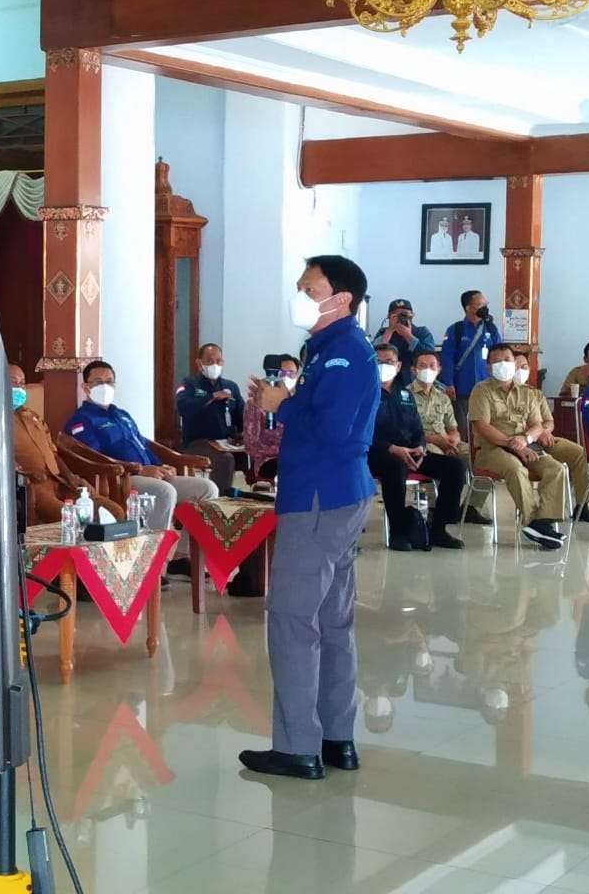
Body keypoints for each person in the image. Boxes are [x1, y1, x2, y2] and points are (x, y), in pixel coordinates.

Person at [239, 254, 379, 781]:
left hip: (320, 497)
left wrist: (285, 403)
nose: (299, 293)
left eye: (309, 286)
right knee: (331, 619)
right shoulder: (329, 349)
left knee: (294, 620)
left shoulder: (343, 352)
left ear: (340, 299)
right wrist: (284, 400)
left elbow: (338, 429)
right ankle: (335, 737)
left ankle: (298, 747)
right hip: (336, 493)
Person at [64, 361, 217, 532]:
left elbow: (142, 445)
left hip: (148, 472)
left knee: (207, 488)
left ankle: (186, 552)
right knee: (165, 491)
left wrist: (161, 466)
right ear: (86, 388)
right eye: (98, 382)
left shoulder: (122, 415)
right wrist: (138, 470)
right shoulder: (81, 421)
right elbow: (94, 458)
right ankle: (157, 554)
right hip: (119, 479)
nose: (105, 386)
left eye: (109, 382)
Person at [468, 345, 589, 550]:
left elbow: (538, 424)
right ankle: (532, 522)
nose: (504, 365)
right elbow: (483, 427)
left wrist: (525, 440)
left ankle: (544, 522)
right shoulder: (481, 390)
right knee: (515, 469)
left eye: (507, 360)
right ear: (489, 367)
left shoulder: (527, 393)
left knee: (555, 468)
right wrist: (514, 444)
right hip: (493, 449)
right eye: (497, 362)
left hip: (527, 444)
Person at [368, 344, 466, 551]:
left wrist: (420, 447)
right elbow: (363, 432)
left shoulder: (404, 394)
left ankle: (438, 528)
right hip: (378, 453)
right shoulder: (363, 394)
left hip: (410, 452)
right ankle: (398, 531)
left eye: (389, 362)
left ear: (398, 365)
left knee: (455, 468)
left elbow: (416, 428)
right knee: (395, 467)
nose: (384, 366)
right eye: (379, 361)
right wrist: (392, 448)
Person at [8, 364, 122, 523]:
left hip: (59, 480)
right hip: (34, 486)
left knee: (114, 511)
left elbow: (54, 453)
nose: (19, 388)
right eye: (13, 382)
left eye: (22, 383)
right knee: (72, 519)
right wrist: (25, 474)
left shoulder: (33, 417)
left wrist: (70, 476)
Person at [409, 349, 492, 525]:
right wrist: (436, 440)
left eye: (432, 366)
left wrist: (453, 438)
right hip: (422, 443)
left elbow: (453, 427)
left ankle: (471, 507)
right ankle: (435, 508)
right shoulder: (404, 396)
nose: (428, 370)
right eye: (422, 366)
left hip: (447, 440)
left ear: (439, 369)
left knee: (483, 456)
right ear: (413, 370)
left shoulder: (443, 397)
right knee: (434, 456)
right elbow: (406, 432)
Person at [176, 343, 244, 494]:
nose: (215, 365)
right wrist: (211, 397)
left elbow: (242, 416)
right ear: (199, 362)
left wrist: (244, 434)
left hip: (227, 441)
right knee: (225, 459)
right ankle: (218, 500)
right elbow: (183, 407)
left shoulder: (230, 386)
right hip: (198, 442)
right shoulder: (189, 384)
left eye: (218, 361)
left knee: (257, 452)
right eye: (209, 361)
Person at [440, 290, 501, 439]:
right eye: (481, 304)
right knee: (464, 428)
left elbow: (500, 354)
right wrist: (448, 383)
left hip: (488, 387)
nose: (485, 307)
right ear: (469, 308)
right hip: (462, 388)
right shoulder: (456, 330)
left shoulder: (491, 329)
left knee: (488, 427)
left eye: (486, 304)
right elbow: (446, 358)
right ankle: (467, 457)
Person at [242, 354, 300, 484]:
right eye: (283, 373)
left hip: (297, 456)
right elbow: (251, 445)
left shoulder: (299, 402)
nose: (287, 377)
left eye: (292, 373)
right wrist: (284, 450)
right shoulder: (256, 403)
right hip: (268, 460)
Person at [372, 298, 435, 388]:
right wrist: (389, 331)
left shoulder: (422, 332)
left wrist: (409, 336)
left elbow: (429, 356)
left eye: (404, 315)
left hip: (414, 383)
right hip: (387, 382)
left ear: (412, 315)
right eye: (396, 315)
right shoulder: (383, 332)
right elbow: (372, 354)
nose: (401, 318)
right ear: (388, 316)